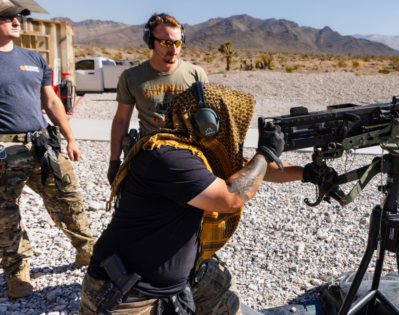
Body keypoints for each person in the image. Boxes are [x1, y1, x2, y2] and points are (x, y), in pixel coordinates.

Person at [78, 83, 328, 315]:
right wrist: (266, 153)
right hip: (129, 293)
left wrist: (306, 173)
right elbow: (231, 196)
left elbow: (248, 170)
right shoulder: (168, 157)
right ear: (211, 123)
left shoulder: (193, 151)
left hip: (182, 275)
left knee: (227, 298)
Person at [0, 1, 95, 298]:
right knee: (5, 213)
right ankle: (17, 271)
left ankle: (87, 251)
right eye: (8, 18)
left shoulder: (33, 58)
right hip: (3, 150)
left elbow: (51, 101)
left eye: (18, 17)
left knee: (68, 198)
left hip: (43, 145)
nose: (17, 22)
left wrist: (70, 137)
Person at [107, 12, 208, 185]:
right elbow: (121, 120)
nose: (174, 49)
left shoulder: (196, 74)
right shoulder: (131, 77)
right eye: (166, 43)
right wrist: (114, 161)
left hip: (189, 154)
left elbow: (207, 118)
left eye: (177, 42)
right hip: (149, 153)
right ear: (149, 41)